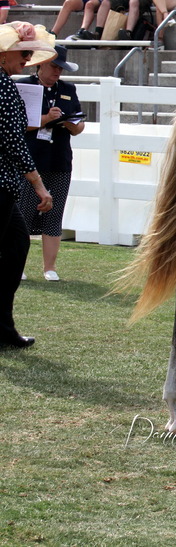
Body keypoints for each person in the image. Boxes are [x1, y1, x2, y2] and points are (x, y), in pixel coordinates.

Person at [0, 22, 55, 349]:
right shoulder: (5, 87)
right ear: (3, 55)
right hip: (1, 183)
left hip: (4, 184)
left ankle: (3, 327)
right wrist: (39, 185)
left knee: (17, 245)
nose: (27, 59)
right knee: (15, 247)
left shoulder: (6, 85)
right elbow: (12, 141)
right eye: (22, 53)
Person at [16, 45, 84, 283]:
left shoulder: (67, 90)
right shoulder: (25, 86)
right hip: (30, 160)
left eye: (61, 68)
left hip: (59, 159)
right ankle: (18, 264)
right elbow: (18, 124)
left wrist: (70, 124)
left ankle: (50, 267)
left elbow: (79, 124)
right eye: (54, 67)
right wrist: (46, 119)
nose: (57, 72)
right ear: (41, 64)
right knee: (22, 213)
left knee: (54, 214)